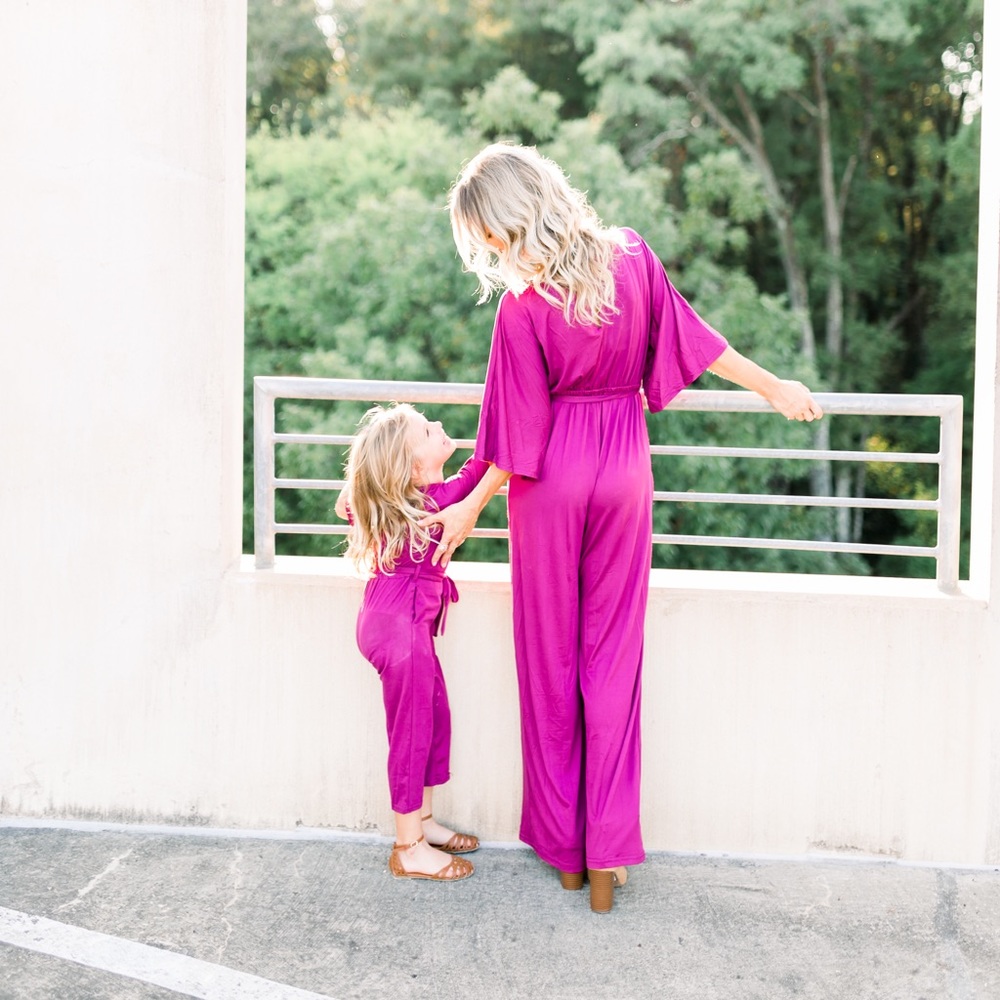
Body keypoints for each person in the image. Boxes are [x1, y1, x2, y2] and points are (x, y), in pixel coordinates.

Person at [420, 142, 823, 913]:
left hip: (551, 484)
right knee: (612, 663)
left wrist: (470, 504)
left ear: (506, 221)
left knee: (551, 661)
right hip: (624, 471)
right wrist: (776, 388)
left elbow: (515, 431)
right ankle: (606, 857)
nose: (490, 247)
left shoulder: (522, 306)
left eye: (487, 232)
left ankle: (567, 855)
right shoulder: (631, 258)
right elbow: (699, 342)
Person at [336, 402, 490, 882]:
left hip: (393, 619)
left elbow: (345, 502)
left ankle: (422, 822)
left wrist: (371, 471)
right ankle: (408, 848)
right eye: (426, 431)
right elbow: (484, 463)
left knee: (434, 717)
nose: (438, 426)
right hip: (401, 628)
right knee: (412, 731)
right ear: (413, 468)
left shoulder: (390, 503)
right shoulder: (434, 501)